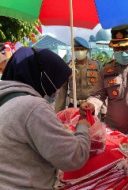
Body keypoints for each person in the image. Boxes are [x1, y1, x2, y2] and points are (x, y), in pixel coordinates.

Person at [0, 47, 90, 189]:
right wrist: (83, 125)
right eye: (55, 83)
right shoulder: (32, 107)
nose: (55, 90)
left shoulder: (6, 99)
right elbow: (74, 156)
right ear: (43, 77)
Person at [55, 37, 101, 112]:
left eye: (82, 49)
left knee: (92, 124)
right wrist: (58, 111)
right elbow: (62, 90)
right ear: (73, 50)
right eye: (77, 49)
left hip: (90, 106)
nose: (79, 51)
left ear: (87, 50)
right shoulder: (68, 66)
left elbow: (101, 89)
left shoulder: (96, 65)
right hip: (73, 106)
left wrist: (103, 110)